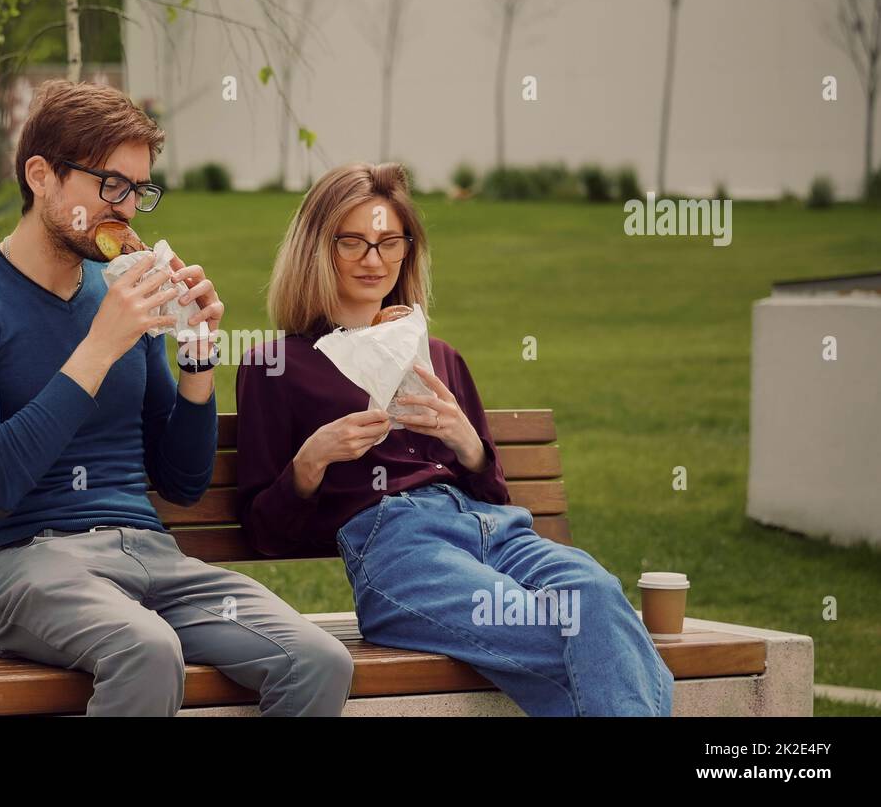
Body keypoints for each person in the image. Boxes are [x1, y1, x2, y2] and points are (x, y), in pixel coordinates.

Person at [0, 79, 353, 716]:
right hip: (18, 565)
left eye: (140, 191)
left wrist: (197, 357)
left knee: (317, 659)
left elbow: (181, 481)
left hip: (148, 555)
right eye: (112, 186)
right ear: (42, 176)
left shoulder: (122, 292)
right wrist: (98, 346)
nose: (128, 209)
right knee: (146, 648)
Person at [235, 161, 673, 716]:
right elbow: (263, 531)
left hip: (494, 532)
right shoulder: (277, 365)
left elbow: (492, 495)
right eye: (353, 243)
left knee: (598, 598)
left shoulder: (438, 357)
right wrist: (311, 461)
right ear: (317, 249)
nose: (374, 260)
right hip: (399, 547)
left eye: (390, 242)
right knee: (598, 641)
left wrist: (467, 443)